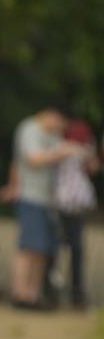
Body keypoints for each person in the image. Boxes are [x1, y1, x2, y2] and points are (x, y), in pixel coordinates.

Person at [3, 107, 82, 310]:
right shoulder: (29, 129)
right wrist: (63, 151)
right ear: (51, 115)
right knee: (28, 247)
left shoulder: (52, 135)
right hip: (30, 196)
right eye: (59, 122)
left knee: (42, 249)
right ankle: (19, 294)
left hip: (47, 199)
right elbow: (33, 159)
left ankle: (33, 295)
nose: (59, 127)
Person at [52, 118, 99, 309]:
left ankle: (70, 290)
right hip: (66, 202)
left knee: (68, 247)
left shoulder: (65, 147)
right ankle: (70, 291)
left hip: (69, 203)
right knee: (71, 247)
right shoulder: (70, 148)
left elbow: (91, 168)